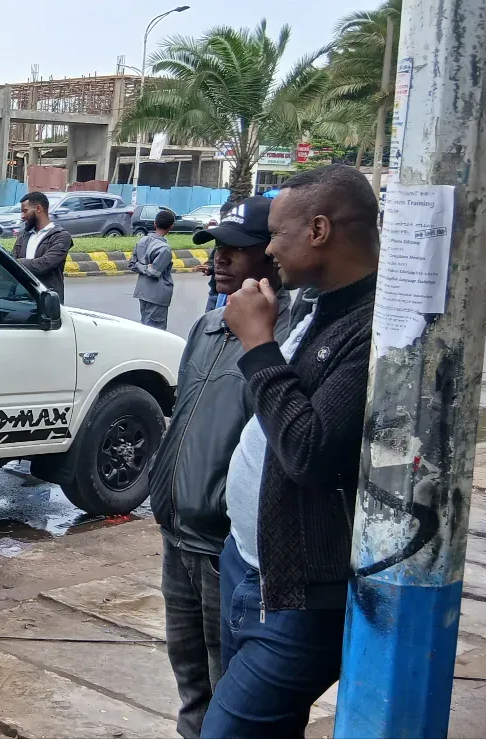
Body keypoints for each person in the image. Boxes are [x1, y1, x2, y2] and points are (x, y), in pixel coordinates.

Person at [202, 165, 381, 737]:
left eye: (278, 234)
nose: (269, 247)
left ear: (319, 230)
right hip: (246, 566)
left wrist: (259, 344)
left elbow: (307, 451)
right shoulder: (317, 305)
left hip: (296, 593)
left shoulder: (372, 328)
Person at [147, 195, 292, 738]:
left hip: (224, 547)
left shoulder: (283, 336)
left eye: (238, 250)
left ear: (271, 257)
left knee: (229, 683)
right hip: (177, 531)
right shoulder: (207, 328)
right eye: (218, 249)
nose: (221, 260)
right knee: (189, 676)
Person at [13, 191, 73, 299]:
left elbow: (43, 265)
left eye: (25, 211)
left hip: (47, 303)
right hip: (21, 300)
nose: (22, 216)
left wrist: (17, 263)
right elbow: (11, 265)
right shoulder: (23, 237)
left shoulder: (61, 236)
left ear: (38, 209)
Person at [130, 209, 175, 329]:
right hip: (157, 295)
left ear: (155, 223)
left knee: (145, 326)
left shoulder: (142, 241)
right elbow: (153, 272)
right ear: (171, 227)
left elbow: (132, 264)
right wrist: (147, 267)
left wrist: (140, 265)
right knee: (156, 330)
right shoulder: (164, 249)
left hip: (143, 292)